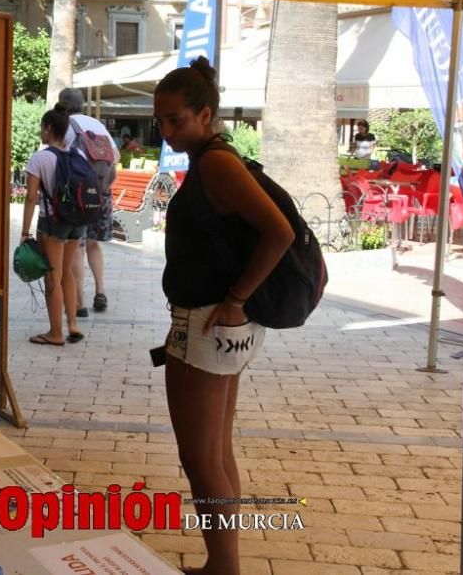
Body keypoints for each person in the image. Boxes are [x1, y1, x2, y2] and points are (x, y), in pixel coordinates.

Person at [156, 57, 294, 575]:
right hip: (219, 324)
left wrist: (237, 297)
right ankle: (223, 566)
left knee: (202, 460)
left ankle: (224, 569)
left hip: (208, 323)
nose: (167, 131)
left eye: (177, 120)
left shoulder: (216, 162)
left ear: (205, 113)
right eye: (160, 121)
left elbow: (278, 232)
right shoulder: (213, 158)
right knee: (216, 455)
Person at [21, 104, 86, 346]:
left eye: (42, 128)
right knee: (66, 272)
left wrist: (25, 231)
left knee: (52, 278)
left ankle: (55, 333)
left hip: (53, 224)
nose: (41, 132)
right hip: (76, 222)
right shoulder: (77, 155)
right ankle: (72, 325)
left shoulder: (40, 158)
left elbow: (30, 197)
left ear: (48, 129)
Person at [58, 87, 118, 316]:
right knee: (94, 243)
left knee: (77, 247)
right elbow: (116, 156)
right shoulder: (98, 125)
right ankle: (100, 291)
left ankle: (79, 304)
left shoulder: (65, 127)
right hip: (102, 193)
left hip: (79, 195)